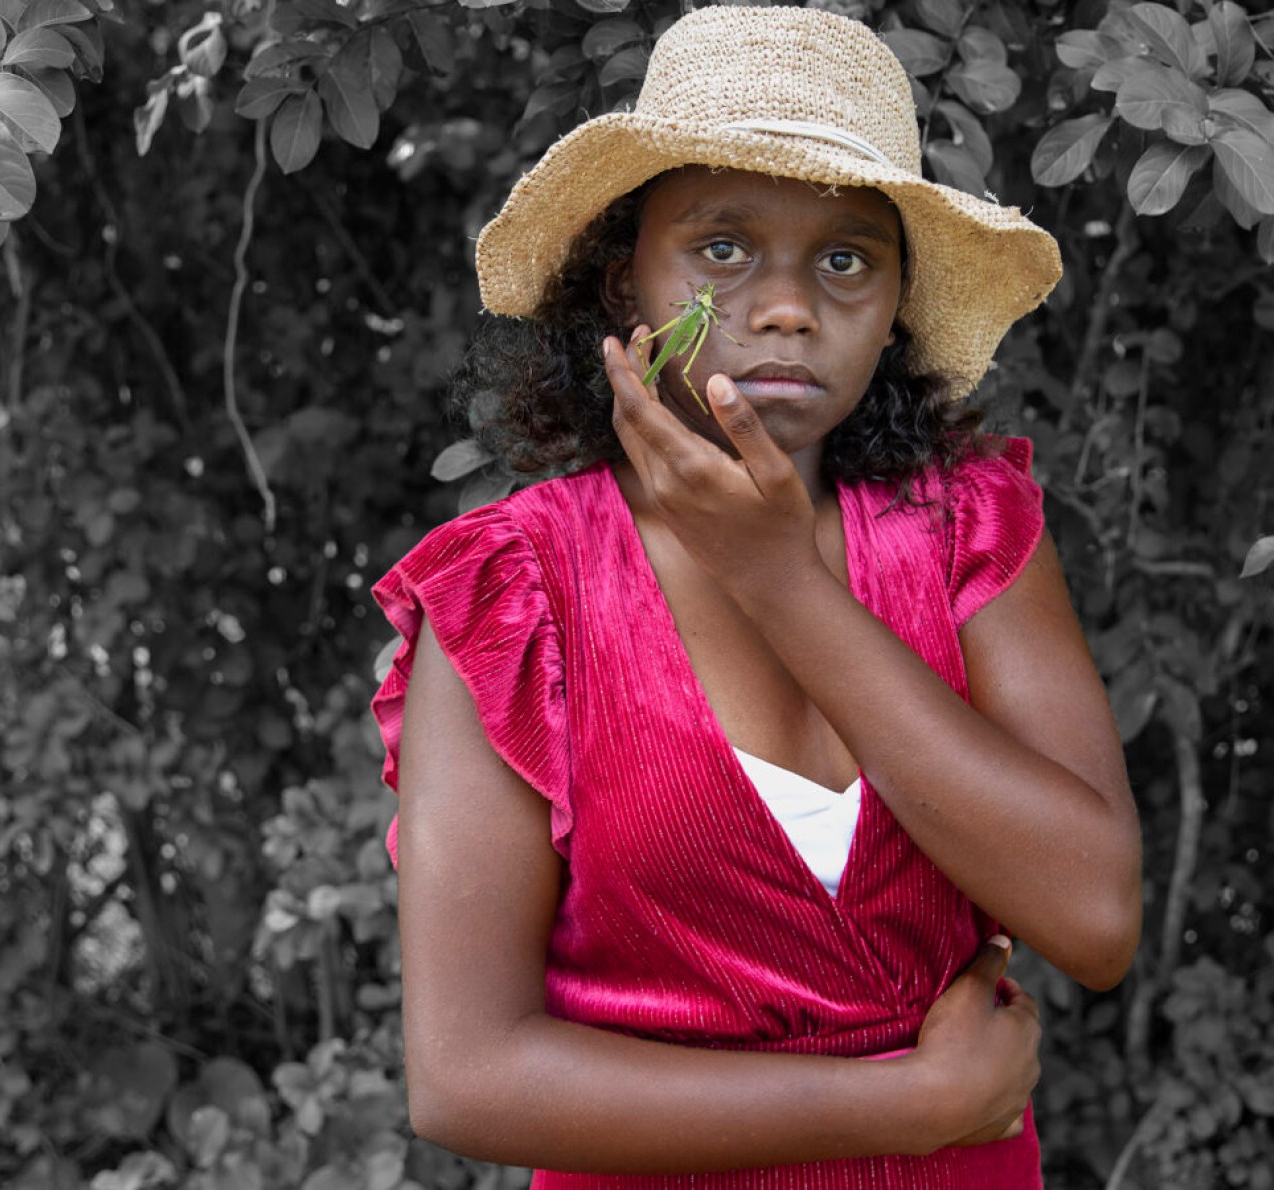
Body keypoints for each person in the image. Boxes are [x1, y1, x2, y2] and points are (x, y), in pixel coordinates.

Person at [371, 7, 1141, 1186]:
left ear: (892, 311)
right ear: (627, 277)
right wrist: (906, 1103)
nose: (788, 306)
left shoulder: (964, 533)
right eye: (723, 248)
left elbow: (1093, 917)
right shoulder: (515, 592)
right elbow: (469, 1074)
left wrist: (783, 581)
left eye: (845, 258)